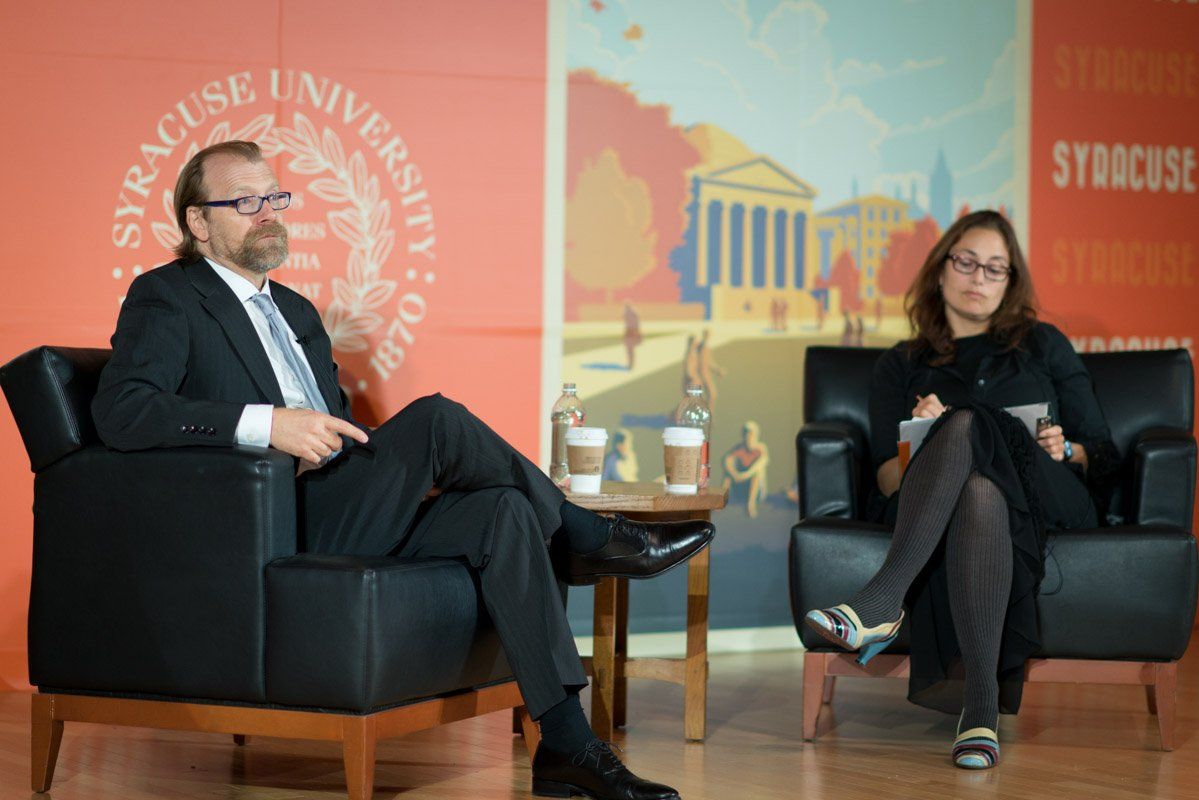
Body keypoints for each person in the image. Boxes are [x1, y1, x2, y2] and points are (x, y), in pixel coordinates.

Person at [91, 140, 714, 800]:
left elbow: (338, 429)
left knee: (503, 511)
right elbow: (124, 411)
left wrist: (389, 473)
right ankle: (586, 537)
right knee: (437, 420)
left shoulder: (296, 312)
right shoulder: (167, 297)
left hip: (339, 497)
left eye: (275, 198)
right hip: (268, 518)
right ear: (197, 222)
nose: (268, 213)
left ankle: (565, 745)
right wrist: (267, 423)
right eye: (246, 202)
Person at [804, 210, 1117, 770]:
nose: (979, 278)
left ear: (1010, 281)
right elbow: (884, 479)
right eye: (967, 262)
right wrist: (918, 442)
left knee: (970, 421)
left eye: (995, 269)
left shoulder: (1044, 345)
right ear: (941, 268)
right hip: (942, 504)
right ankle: (979, 712)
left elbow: (1101, 451)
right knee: (976, 485)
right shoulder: (900, 366)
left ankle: (881, 601)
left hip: (1047, 497)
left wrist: (1064, 449)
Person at [720, 420, 769, 518]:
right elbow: (726, 461)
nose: (748, 436)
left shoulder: (761, 449)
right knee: (728, 475)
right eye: (746, 433)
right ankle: (720, 501)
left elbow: (758, 466)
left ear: (755, 434)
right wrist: (734, 474)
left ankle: (750, 505)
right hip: (741, 488)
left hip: (757, 492)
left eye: (750, 433)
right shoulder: (738, 448)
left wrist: (743, 476)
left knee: (757, 473)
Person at [697, 328, 724, 410]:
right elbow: (705, 362)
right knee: (711, 395)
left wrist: (717, 370)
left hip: (705, 373)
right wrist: (717, 370)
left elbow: (708, 361)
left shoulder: (704, 346)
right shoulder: (703, 347)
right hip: (703, 374)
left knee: (710, 395)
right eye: (708, 334)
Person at [622, 301, 642, 370]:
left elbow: (631, 323)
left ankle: (630, 364)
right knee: (630, 349)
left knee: (629, 349)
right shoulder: (634, 313)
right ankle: (631, 363)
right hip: (632, 332)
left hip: (630, 332)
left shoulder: (627, 313)